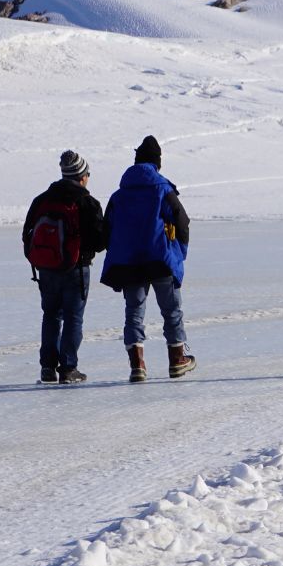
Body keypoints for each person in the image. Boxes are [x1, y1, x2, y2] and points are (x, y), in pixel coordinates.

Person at [100, 135, 194, 382]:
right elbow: (182, 222)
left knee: (134, 312)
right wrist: (179, 253)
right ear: (157, 163)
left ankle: (137, 366)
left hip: (129, 263)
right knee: (171, 310)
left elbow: (107, 229)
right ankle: (176, 361)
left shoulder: (119, 195)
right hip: (160, 260)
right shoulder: (163, 189)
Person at [22, 150, 108, 384]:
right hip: (76, 269)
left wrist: (39, 259)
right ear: (81, 176)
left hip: (46, 268)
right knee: (73, 317)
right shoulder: (87, 202)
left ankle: (47, 368)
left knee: (50, 315)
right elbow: (100, 240)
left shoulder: (42, 199)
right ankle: (69, 368)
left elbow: (27, 234)